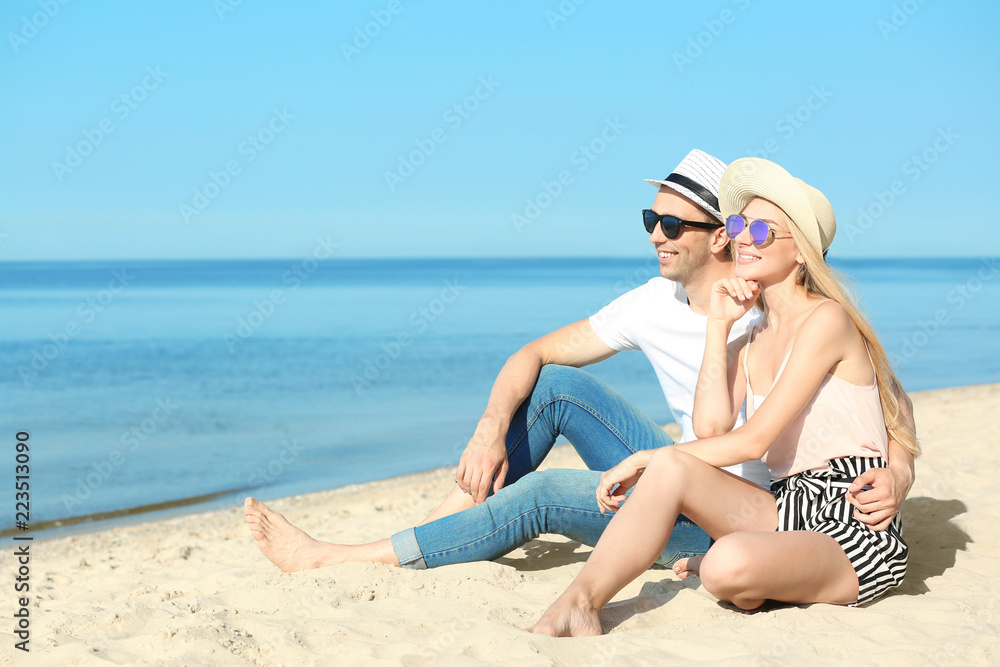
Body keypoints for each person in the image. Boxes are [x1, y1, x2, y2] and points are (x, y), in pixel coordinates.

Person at [243, 150, 914, 574]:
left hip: (731, 508)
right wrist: (487, 426)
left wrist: (901, 470)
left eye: (675, 224)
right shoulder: (670, 306)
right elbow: (531, 354)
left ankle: (338, 557)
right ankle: (443, 520)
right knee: (556, 384)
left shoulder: (786, 312)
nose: (657, 233)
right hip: (683, 473)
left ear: (717, 239)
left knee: (539, 495)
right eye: (650, 218)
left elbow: (879, 403)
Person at [527, 157, 920, 637]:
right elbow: (711, 428)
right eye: (738, 225)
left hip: (852, 517)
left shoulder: (826, 320)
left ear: (801, 252)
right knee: (676, 472)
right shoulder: (750, 339)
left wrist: (901, 470)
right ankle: (580, 602)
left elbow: (758, 440)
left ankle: (757, 574)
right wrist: (719, 326)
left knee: (721, 565)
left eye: (762, 231)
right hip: (783, 505)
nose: (742, 238)